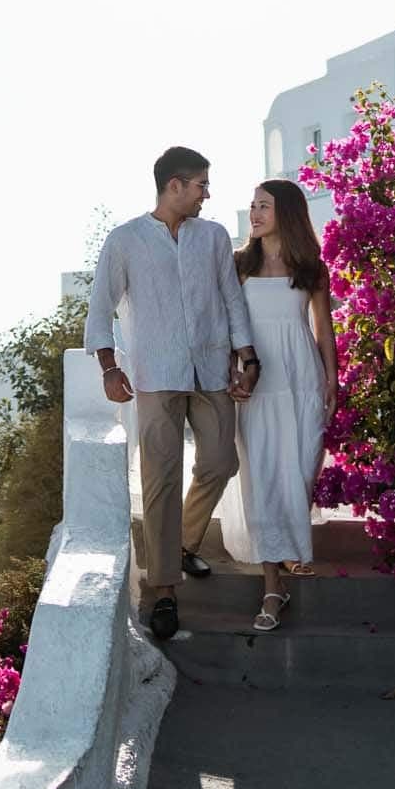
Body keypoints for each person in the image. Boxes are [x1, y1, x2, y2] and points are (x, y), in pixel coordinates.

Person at [85, 146, 259, 643]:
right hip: (156, 375)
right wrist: (108, 366)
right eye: (201, 184)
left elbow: (231, 299)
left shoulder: (213, 237)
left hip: (210, 367)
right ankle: (163, 590)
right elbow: (100, 307)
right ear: (174, 186)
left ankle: (181, 540)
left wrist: (249, 357)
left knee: (221, 460)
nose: (207, 193)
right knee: (160, 480)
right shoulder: (126, 240)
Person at [218, 178, 338, 632]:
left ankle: (294, 546)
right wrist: (234, 370)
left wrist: (333, 379)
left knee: (303, 466)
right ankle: (272, 586)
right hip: (257, 383)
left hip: (302, 377)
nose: (254, 213)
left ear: (285, 212)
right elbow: (229, 325)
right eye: (252, 206)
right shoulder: (238, 265)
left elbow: (323, 330)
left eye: (264, 206)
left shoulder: (311, 267)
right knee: (263, 476)